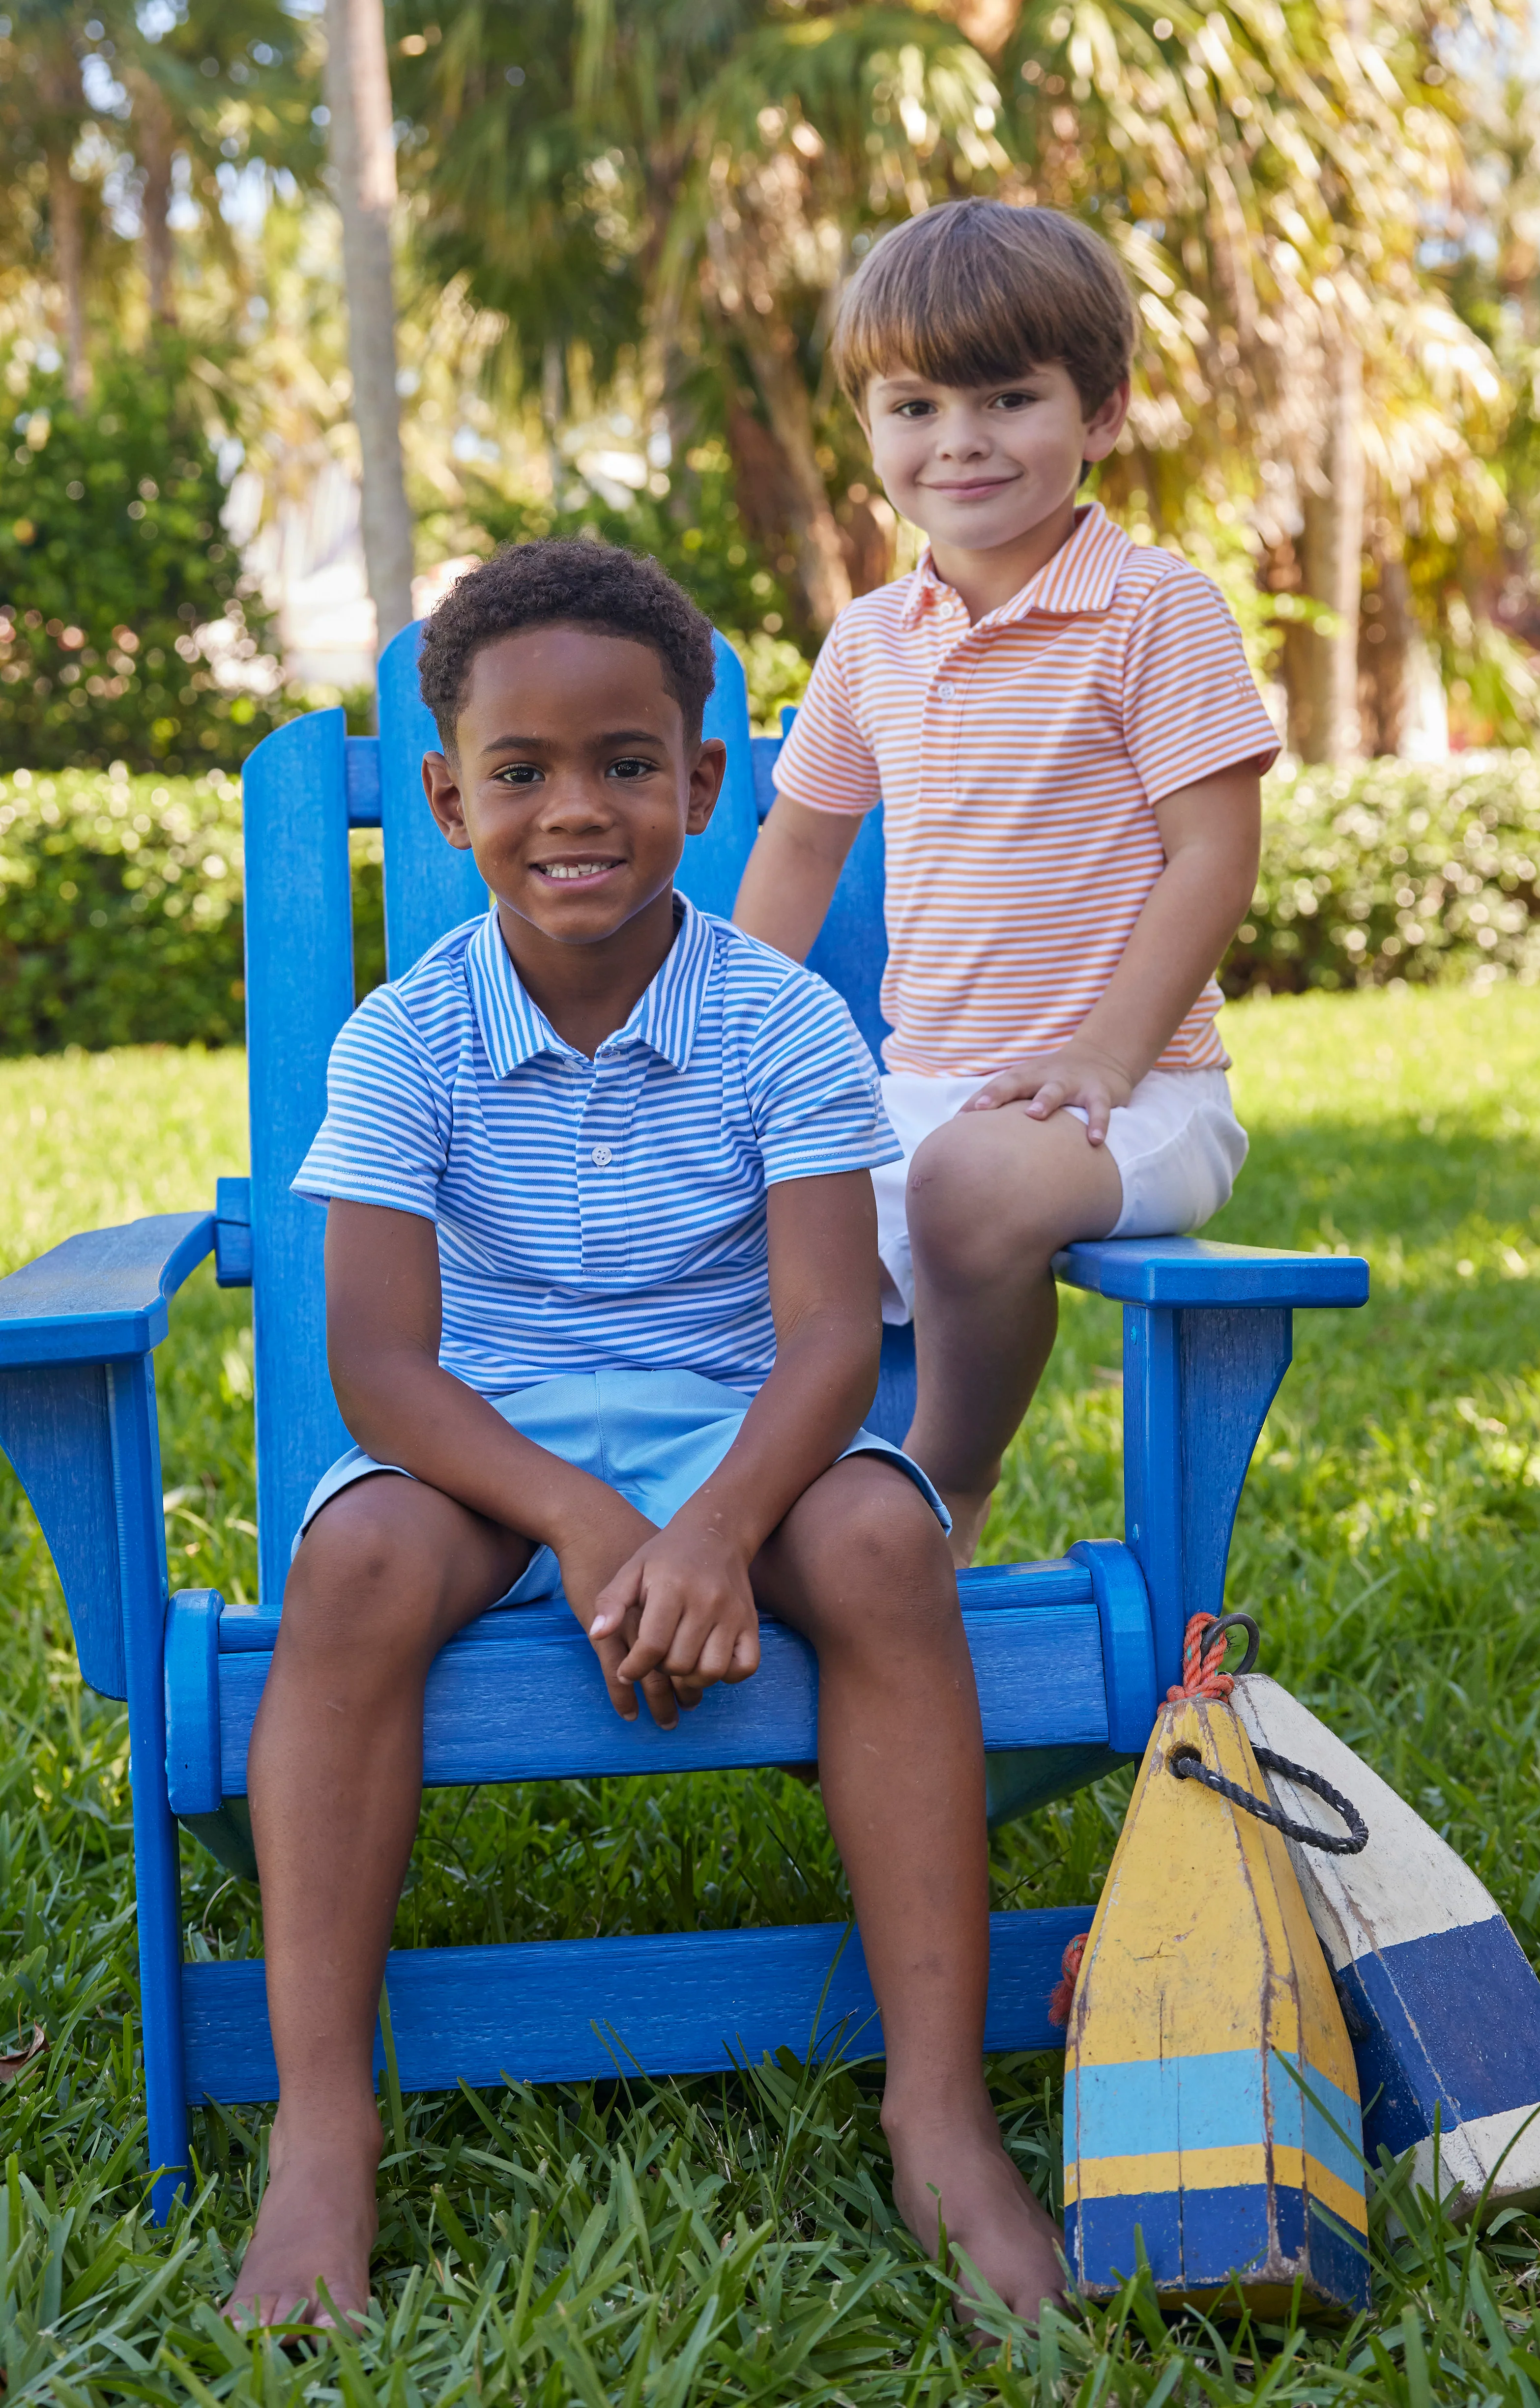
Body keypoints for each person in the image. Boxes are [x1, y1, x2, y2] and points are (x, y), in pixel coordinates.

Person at [227, 540, 1067, 2329]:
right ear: (449, 798)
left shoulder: (778, 1024)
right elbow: (377, 1364)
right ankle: (320, 2132)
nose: (573, 809)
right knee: (358, 1555)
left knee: (878, 1541)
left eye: (626, 763)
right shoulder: (403, 1041)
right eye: (518, 774)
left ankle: (938, 2106)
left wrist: (702, 1522)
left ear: (703, 781)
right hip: (489, 1430)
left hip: (736, 1414)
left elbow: (839, 1330)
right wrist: (588, 1520)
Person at [733, 199, 1280, 1564]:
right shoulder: (870, 638)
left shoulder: (1154, 609)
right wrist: (726, 1031)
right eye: (913, 405)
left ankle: (947, 1478)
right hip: (916, 1089)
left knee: (974, 1183)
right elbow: (803, 842)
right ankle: (759, 1500)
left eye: (1007, 397)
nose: (959, 439)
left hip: (1137, 1097)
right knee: (733, 1198)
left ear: (1101, 413)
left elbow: (1216, 854)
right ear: (867, 428)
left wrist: (1101, 1060)